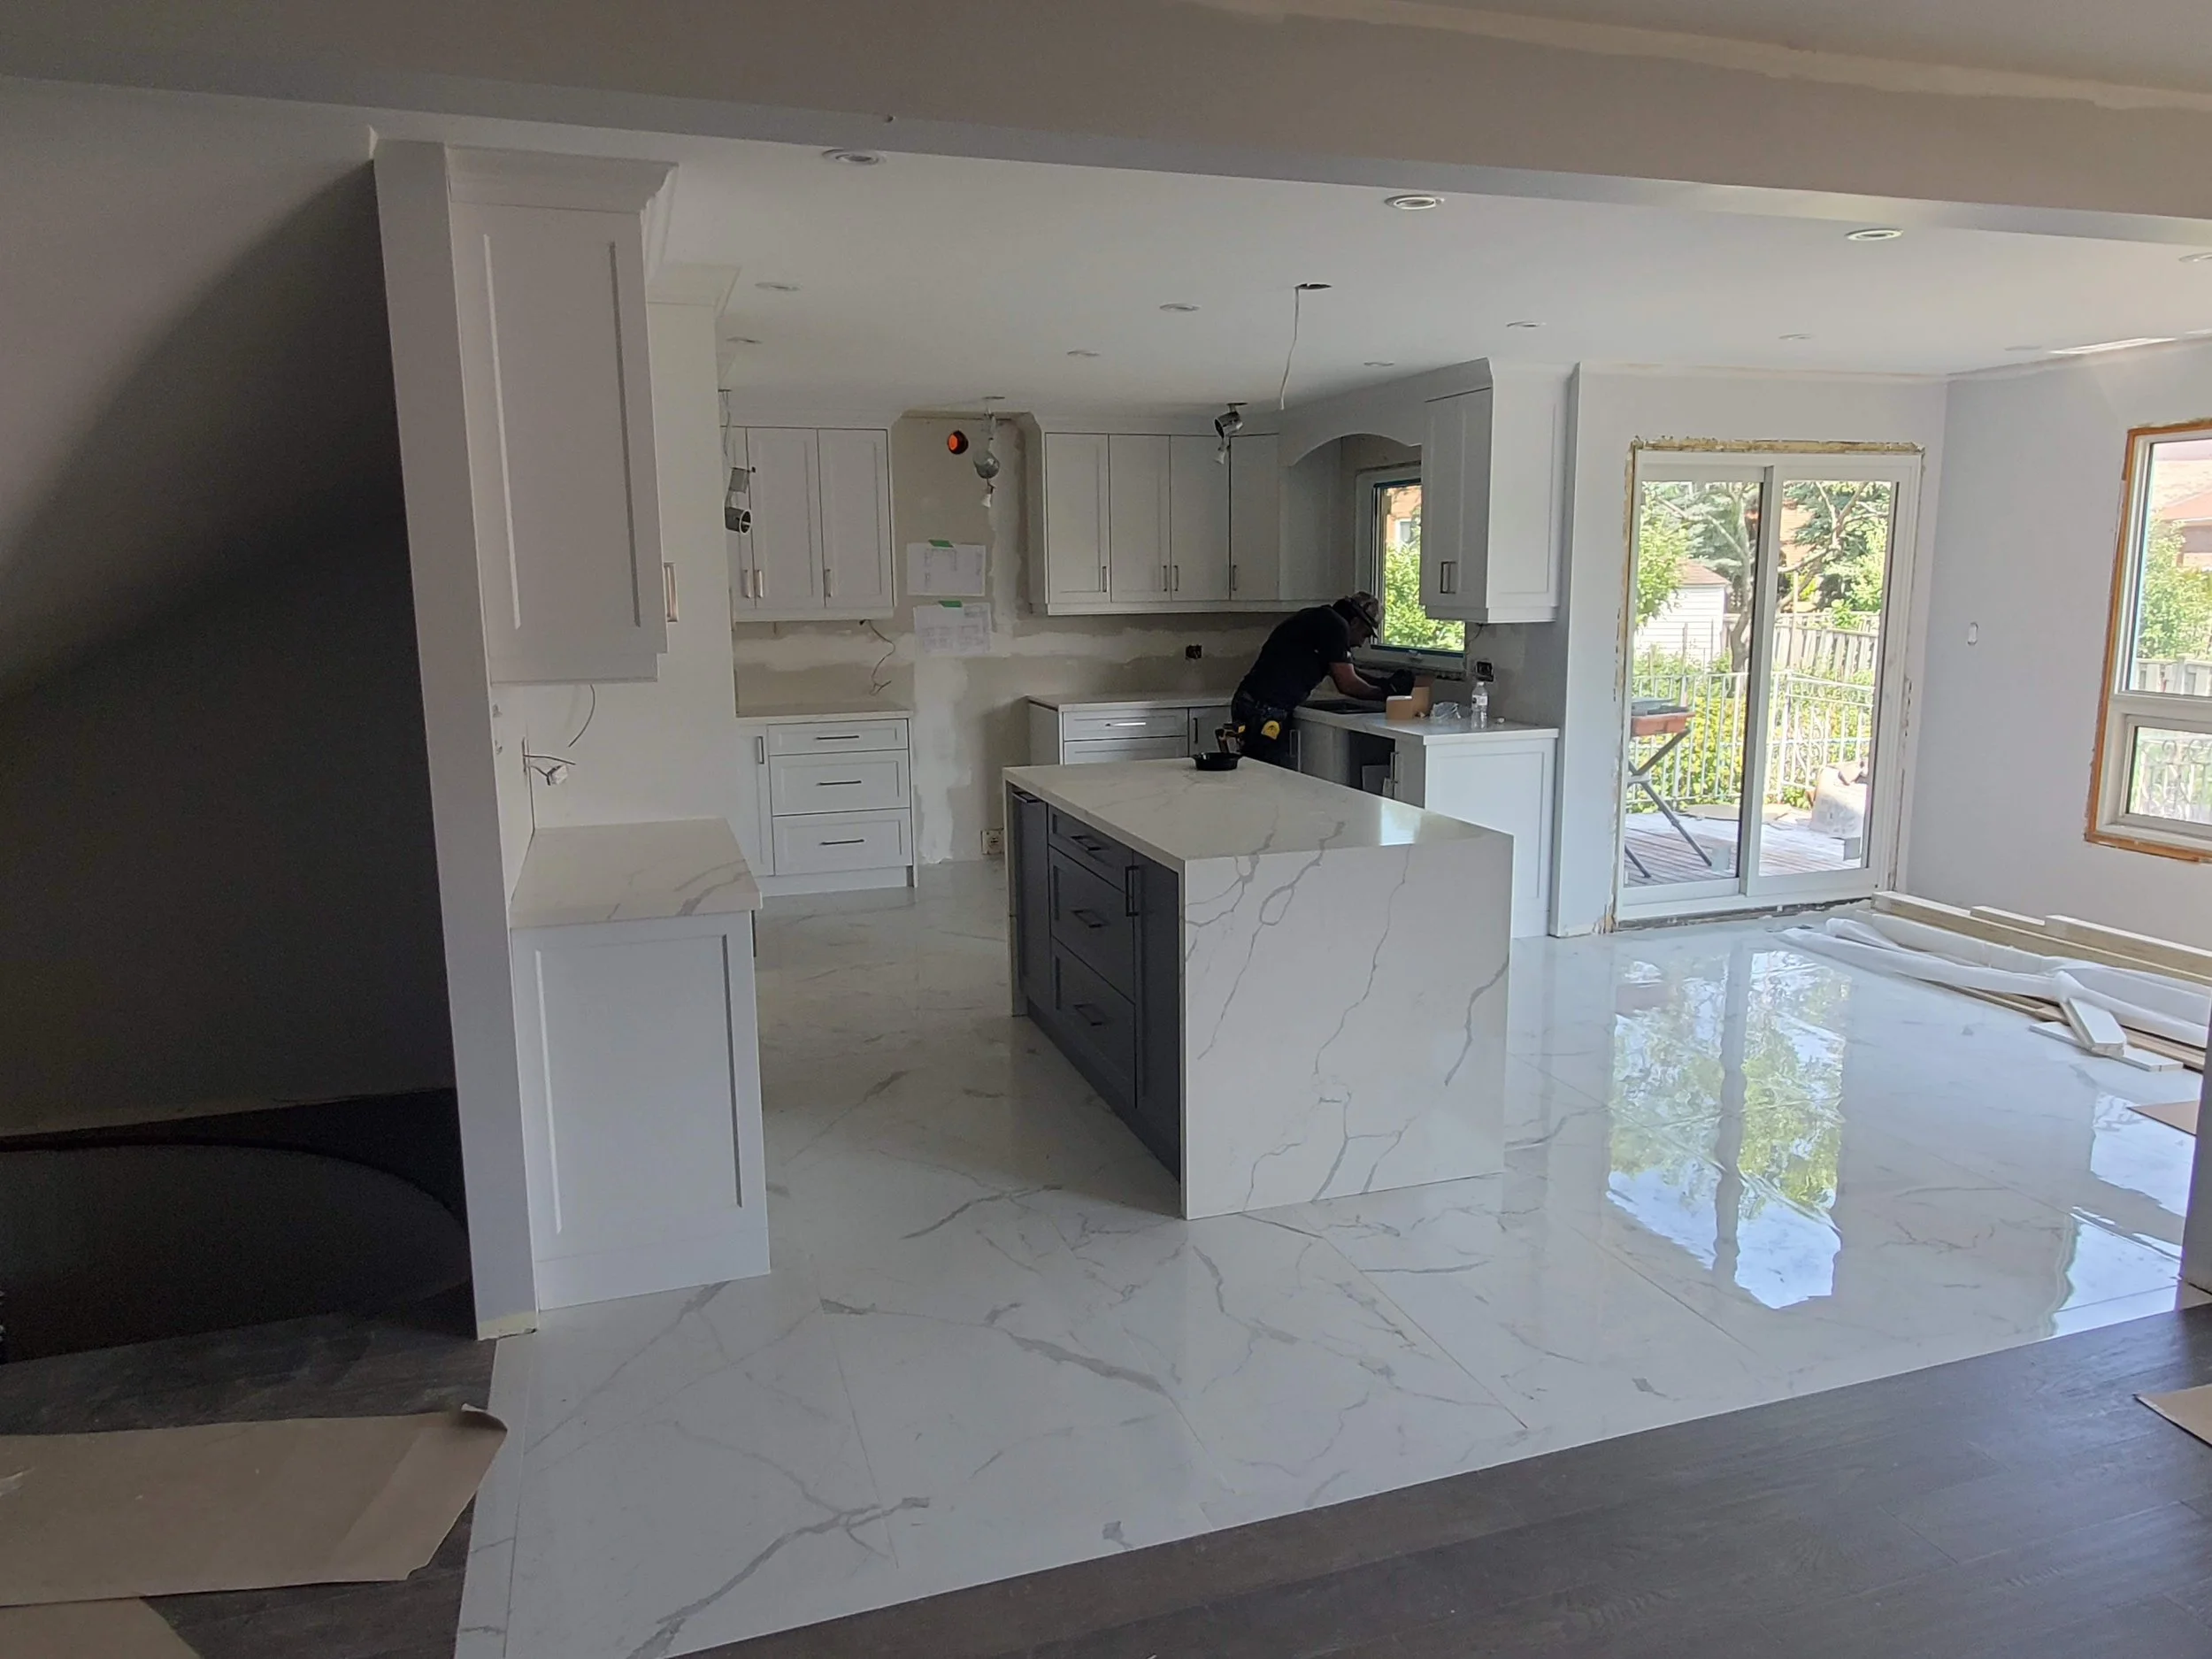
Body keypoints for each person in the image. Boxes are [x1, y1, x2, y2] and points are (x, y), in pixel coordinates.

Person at [1229, 592, 1409, 767]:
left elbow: (1344, 670)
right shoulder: (1336, 627)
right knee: (1270, 780)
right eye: (1365, 634)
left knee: (1260, 777)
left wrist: (1382, 683)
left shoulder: (1320, 618)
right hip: (1265, 711)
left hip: (1253, 703)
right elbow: (1348, 684)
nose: (1361, 643)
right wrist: (1386, 694)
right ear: (1354, 622)